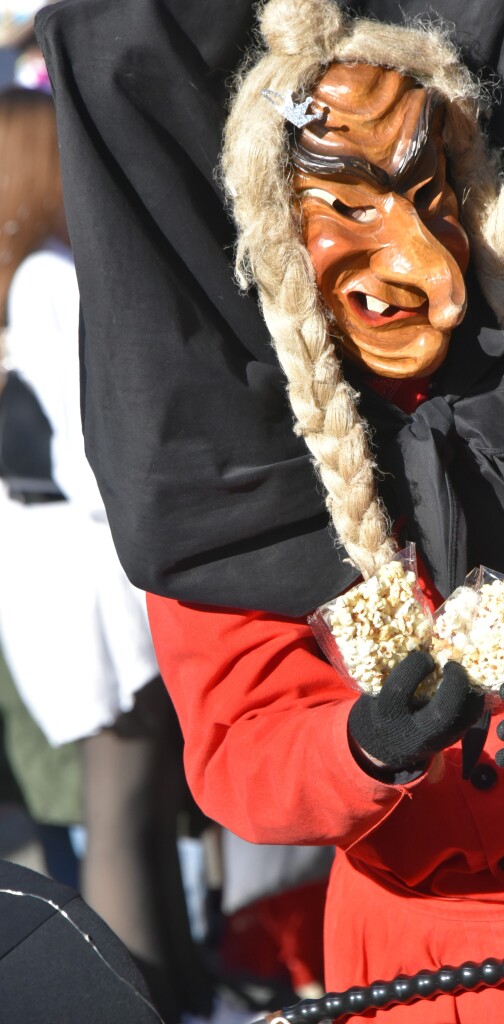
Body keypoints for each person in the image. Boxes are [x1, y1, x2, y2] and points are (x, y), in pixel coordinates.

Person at [34, 1, 504, 1024]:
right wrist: (363, 744)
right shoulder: (238, 471)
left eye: (429, 197)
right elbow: (236, 743)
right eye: (348, 207)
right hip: (413, 968)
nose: (427, 270)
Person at [0, 84, 217, 1024]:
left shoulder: (19, 275)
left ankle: (175, 1000)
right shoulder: (49, 275)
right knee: (125, 814)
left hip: (45, 580)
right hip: (90, 581)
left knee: (121, 812)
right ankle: (152, 1006)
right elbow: (91, 460)